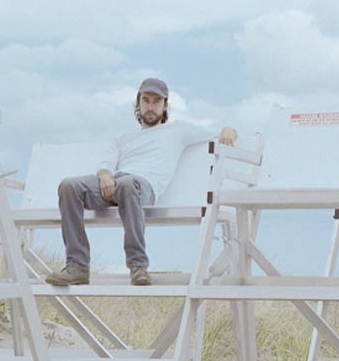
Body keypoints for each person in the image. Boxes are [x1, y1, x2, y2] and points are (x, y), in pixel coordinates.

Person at [46, 78, 237, 287]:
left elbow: (220, 131)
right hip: (116, 183)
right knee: (69, 186)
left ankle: (138, 266)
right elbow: (106, 162)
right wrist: (104, 175)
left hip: (142, 188)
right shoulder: (123, 138)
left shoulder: (178, 131)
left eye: (156, 101)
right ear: (138, 103)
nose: (150, 106)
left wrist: (228, 130)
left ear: (165, 105)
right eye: (146, 100)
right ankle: (77, 267)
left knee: (127, 184)